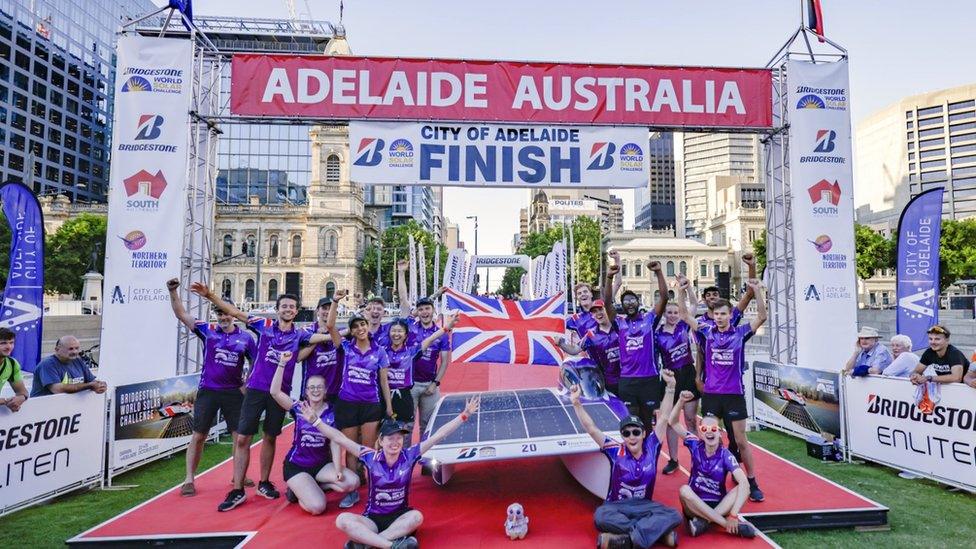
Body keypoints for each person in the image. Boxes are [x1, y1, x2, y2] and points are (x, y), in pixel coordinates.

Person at [191, 283, 330, 511]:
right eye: (284, 306)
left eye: (292, 307)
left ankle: (264, 482)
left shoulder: (300, 334)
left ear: (296, 311)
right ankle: (237, 489)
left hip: (279, 393)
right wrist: (211, 296)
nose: (287, 309)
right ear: (277, 309)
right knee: (243, 438)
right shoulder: (264, 326)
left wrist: (351, 330)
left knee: (270, 437)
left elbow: (328, 336)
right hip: (256, 390)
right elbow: (235, 312)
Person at [307, 395, 481, 549]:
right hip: (372, 519)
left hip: (399, 518)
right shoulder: (369, 457)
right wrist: (316, 422)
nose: (396, 442)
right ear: (381, 441)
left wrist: (464, 415)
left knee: (417, 517)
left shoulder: (410, 455)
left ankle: (367, 543)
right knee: (342, 520)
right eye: (391, 438)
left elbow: (438, 435)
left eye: (399, 437)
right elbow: (339, 438)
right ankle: (392, 545)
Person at [677, 277, 767, 503]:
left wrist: (757, 291)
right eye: (716, 314)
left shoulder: (740, 333)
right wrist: (681, 290)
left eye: (723, 314)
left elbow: (762, 317)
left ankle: (752, 480)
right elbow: (686, 316)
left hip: (734, 395)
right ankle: (707, 478)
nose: (719, 317)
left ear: (730, 316)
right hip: (712, 396)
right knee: (709, 438)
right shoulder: (707, 332)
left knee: (740, 440)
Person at [570, 370, 681, 549]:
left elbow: (664, 418)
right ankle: (650, 535)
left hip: (644, 507)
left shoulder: (652, 447)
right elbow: (591, 429)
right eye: (626, 433)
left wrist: (670, 387)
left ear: (644, 434)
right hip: (617, 507)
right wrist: (576, 403)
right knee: (600, 516)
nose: (632, 437)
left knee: (675, 515)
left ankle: (624, 541)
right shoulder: (615, 450)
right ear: (622, 436)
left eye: (636, 432)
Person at [167, 279, 257, 497]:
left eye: (226, 313)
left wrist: (247, 385)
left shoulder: (246, 338)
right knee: (199, 436)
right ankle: (189, 479)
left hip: (233, 393)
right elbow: (181, 314)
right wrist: (173, 291)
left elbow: (256, 363)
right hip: (208, 390)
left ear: (232, 314)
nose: (223, 317)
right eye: (219, 313)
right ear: (215, 314)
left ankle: (239, 475)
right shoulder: (208, 330)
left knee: (240, 437)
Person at [268, 351, 359, 515]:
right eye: (312, 387)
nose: (315, 390)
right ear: (306, 391)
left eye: (319, 387)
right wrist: (282, 363)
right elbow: (275, 392)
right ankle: (297, 491)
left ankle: (311, 486)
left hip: (321, 465)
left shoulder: (332, 412)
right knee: (317, 507)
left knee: (352, 482)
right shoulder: (299, 408)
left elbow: (334, 441)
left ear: (325, 391)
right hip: (297, 466)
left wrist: (338, 470)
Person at [326, 296, 392, 510]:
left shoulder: (379, 351)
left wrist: (389, 407)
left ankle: (375, 489)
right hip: (347, 404)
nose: (360, 328)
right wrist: (335, 302)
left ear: (367, 326)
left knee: (368, 450)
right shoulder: (345, 348)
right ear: (352, 332)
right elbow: (329, 325)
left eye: (362, 324)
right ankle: (353, 491)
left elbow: (384, 382)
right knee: (351, 450)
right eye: (356, 327)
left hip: (371, 405)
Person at [668, 391, 755, 538]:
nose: (709, 432)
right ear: (700, 433)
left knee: (743, 486)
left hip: (719, 504)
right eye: (704, 429)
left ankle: (704, 522)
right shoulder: (694, 444)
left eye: (713, 429)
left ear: (720, 432)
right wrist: (681, 401)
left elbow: (744, 483)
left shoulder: (725, 455)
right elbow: (673, 422)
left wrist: (733, 515)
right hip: (693, 505)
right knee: (684, 490)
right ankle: (723, 523)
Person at [602, 256, 669, 429]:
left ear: (638, 302)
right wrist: (609, 278)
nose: (630, 304)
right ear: (622, 306)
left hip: (649, 380)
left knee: (647, 424)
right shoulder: (620, 323)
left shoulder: (650, 320)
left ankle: (648, 454)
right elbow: (607, 302)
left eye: (633, 300)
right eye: (626, 301)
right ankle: (634, 455)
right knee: (631, 423)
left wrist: (659, 272)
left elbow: (664, 297)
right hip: (627, 381)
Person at [654, 274, 699, 475]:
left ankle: (699, 456)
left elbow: (695, 304)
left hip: (688, 373)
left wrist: (686, 287)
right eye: (669, 312)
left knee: (690, 419)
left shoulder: (684, 325)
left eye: (675, 312)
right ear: (664, 314)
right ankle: (673, 459)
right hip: (671, 378)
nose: (673, 315)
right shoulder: (657, 335)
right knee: (671, 420)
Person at [381, 314, 457, 426]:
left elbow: (431, 338)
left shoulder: (411, 352)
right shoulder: (382, 352)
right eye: (393, 331)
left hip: (404, 396)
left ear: (406, 335)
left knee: (404, 430)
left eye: (400, 331)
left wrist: (446, 327)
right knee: (385, 431)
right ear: (389, 333)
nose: (396, 334)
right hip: (385, 395)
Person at [558, 299, 621, 396]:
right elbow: (574, 350)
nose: (598, 313)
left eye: (600, 309)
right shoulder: (591, 335)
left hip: (627, 379)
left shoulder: (621, 325)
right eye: (594, 312)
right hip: (608, 383)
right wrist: (561, 344)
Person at [568, 249, 622, 341]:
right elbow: (555, 326)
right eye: (579, 293)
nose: (583, 295)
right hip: (592, 354)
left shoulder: (604, 305)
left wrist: (617, 260)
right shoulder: (575, 319)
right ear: (577, 298)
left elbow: (618, 283)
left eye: (585, 292)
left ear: (591, 294)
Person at [297, 296, 343, 402]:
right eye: (324, 308)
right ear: (318, 311)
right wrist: (317, 338)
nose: (327, 311)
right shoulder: (307, 330)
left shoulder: (340, 332)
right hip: (312, 391)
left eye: (331, 308)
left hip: (335, 392)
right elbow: (298, 358)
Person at [30, 336, 108, 397]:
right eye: (70, 349)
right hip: (43, 411)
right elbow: (58, 389)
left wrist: (100, 385)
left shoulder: (77, 360)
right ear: (57, 350)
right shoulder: (47, 364)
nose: (74, 352)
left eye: (77, 348)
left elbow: (92, 381)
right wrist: (89, 386)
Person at [0, 328, 29, 412]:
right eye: (3, 343)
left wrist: (21, 398)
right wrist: (6, 401)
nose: (9, 347)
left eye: (11, 343)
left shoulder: (12, 363)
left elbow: (23, 392)